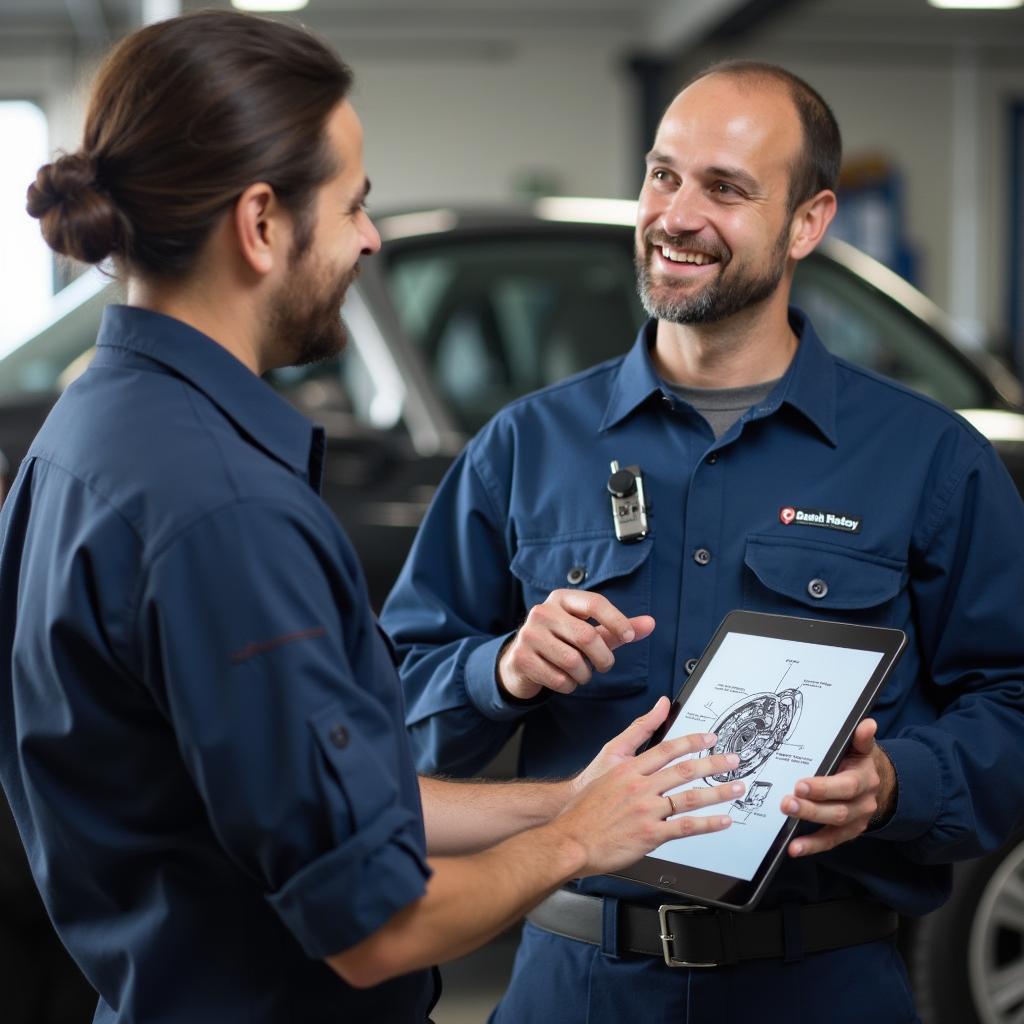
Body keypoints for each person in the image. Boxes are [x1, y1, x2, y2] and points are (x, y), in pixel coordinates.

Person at [0, 13, 741, 1023]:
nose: (369, 236)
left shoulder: (81, 434)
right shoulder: (223, 511)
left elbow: (323, 806)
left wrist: (573, 798)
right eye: (354, 203)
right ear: (260, 223)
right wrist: (574, 846)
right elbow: (377, 925)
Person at [380, 60, 1024, 1024]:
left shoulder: (929, 461)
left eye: (724, 188)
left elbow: (1014, 703)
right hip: (576, 987)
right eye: (662, 175)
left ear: (808, 221)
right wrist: (502, 670)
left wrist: (898, 784)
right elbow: (386, 709)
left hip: (822, 985)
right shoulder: (524, 447)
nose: (676, 216)